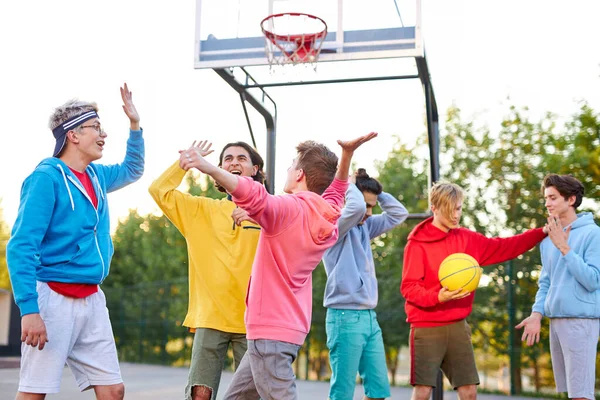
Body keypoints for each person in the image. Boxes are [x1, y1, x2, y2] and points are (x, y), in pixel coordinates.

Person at [178, 132, 377, 400]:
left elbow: (250, 192)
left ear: (299, 175)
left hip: (269, 334)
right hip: (282, 330)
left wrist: (205, 165)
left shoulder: (286, 210)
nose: (287, 168)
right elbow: (338, 188)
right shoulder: (326, 212)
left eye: (292, 164)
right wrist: (346, 156)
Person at [6, 83, 144, 400]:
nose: (103, 134)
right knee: (34, 393)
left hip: (92, 299)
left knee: (113, 390)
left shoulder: (96, 175)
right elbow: (21, 247)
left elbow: (133, 169)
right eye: (95, 127)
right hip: (52, 298)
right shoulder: (46, 178)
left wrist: (134, 126)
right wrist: (29, 310)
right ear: (73, 135)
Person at [400, 181, 547, 400]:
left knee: (469, 392)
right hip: (426, 326)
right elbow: (409, 287)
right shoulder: (417, 244)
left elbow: (504, 246)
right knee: (422, 392)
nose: (455, 215)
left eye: (458, 208)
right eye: (450, 209)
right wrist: (437, 296)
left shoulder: (467, 239)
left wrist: (541, 232)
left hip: (458, 325)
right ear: (435, 207)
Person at [148, 140, 265, 400]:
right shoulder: (200, 210)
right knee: (200, 394)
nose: (234, 162)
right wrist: (183, 164)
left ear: (255, 168)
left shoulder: (270, 211)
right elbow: (159, 190)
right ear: (218, 168)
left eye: (242, 158)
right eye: (228, 158)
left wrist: (259, 214)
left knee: (251, 396)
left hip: (254, 320)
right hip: (211, 316)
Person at [322, 168, 408, 400]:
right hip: (344, 317)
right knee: (342, 393)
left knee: (379, 391)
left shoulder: (365, 227)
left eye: (372, 206)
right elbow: (356, 208)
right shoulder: (333, 227)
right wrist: (349, 184)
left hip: (370, 318)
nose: (370, 212)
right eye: (366, 206)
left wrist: (375, 191)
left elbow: (398, 214)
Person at [516, 174, 600, 400]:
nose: (547, 203)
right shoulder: (548, 238)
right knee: (572, 394)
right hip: (557, 320)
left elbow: (593, 280)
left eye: (553, 198)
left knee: (581, 395)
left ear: (571, 199)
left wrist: (564, 247)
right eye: (546, 198)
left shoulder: (593, 234)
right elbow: (546, 282)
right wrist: (536, 314)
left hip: (581, 321)